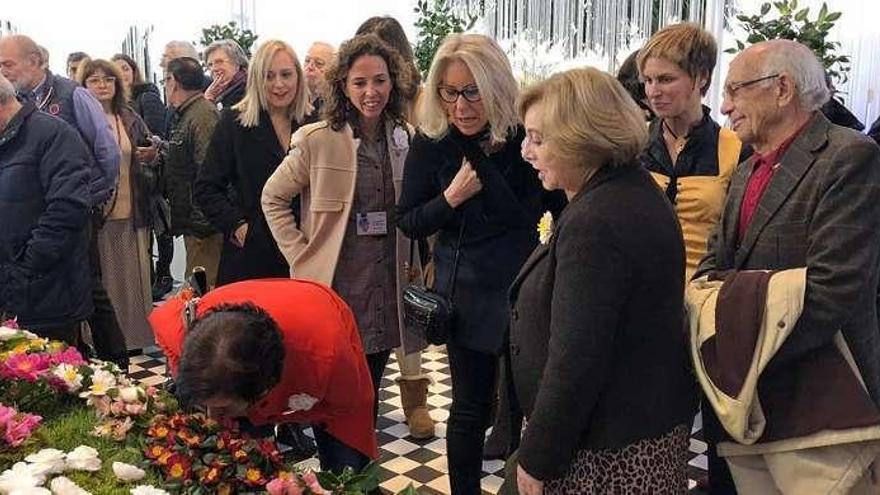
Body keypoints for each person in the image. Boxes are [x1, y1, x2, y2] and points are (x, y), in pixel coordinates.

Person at [694, 39, 880, 494]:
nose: (724, 105)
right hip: (751, 404)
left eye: (736, 90)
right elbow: (707, 276)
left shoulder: (848, 157)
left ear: (782, 88)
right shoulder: (744, 171)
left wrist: (741, 351)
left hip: (822, 403)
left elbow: (833, 291)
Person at [504, 66, 695, 495]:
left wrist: (537, 459)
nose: (525, 153)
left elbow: (577, 357)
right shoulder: (629, 190)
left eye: (538, 139)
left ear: (582, 136)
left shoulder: (596, 220)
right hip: (633, 430)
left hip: (603, 451)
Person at [396, 33, 564, 494]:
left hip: (524, 289)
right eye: (449, 92)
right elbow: (408, 220)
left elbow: (538, 213)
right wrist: (450, 199)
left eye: (472, 92)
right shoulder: (433, 144)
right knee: (470, 410)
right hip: (465, 294)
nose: (460, 105)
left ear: (495, 88)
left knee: (526, 408)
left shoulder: (522, 141)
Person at [262, 34, 417, 427]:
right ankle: (343, 476)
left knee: (370, 393)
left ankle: (363, 477)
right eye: (360, 82)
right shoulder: (318, 139)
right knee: (335, 400)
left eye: (379, 81)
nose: (371, 92)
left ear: (392, 83)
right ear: (343, 86)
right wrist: (300, 254)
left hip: (384, 289)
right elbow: (273, 198)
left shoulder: (404, 138)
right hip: (338, 288)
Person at [150, 278, 378, 473]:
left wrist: (273, 415)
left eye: (222, 409)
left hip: (315, 322)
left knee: (348, 469)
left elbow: (344, 406)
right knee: (244, 465)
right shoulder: (189, 336)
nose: (212, 418)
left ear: (263, 391)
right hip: (241, 353)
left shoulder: (328, 357)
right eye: (209, 407)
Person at [0, 34, 127, 367]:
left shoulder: (60, 117)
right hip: (22, 283)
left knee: (58, 371)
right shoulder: (11, 135)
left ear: (35, 61)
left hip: (47, 278)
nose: (4, 70)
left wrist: (95, 201)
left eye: (8, 64)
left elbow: (105, 157)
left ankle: (116, 365)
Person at [354, 15, 434, 440]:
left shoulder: (417, 100)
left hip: (409, 223)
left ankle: (415, 400)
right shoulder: (349, 106)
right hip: (363, 230)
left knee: (409, 312)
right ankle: (360, 403)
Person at [638, 23, 750, 282]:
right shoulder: (632, 143)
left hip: (705, 292)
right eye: (648, 80)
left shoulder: (735, 148)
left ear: (701, 77)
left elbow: (741, 239)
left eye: (666, 79)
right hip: (636, 295)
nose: (654, 92)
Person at [195, 40, 312, 286]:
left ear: (298, 78)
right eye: (269, 76)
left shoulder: (314, 123)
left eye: (286, 75)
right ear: (257, 79)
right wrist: (238, 226)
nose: (279, 84)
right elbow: (206, 187)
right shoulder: (234, 123)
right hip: (251, 256)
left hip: (305, 250)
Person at [0, 73, 93, 344]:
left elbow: (68, 209)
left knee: (50, 377)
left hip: (47, 292)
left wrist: (27, 267)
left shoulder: (54, 134)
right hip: (14, 285)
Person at [78, 59, 159, 352]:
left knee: (132, 279)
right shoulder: (78, 121)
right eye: (94, 80)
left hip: (132, 209)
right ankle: (105, 342)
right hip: (97, 214)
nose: (102, 85)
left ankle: (135, 338)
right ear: (83, 86)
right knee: (105, 281)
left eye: (107, 80)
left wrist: (152, 154)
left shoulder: (128, 116)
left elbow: (150, 148)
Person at [162, 57, 222, 288]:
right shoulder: (190, 113)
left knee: (201, 291)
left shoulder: (201, 115)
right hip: (196, 223)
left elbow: (208, 172)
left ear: (173, 81)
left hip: (203, 227)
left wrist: (201, 225)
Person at [112, 53, 167, 138]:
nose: (121, 74)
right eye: (116, 71)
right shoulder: (113, 103)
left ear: (134, 72)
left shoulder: (148, 97)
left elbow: (157, 134)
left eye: (125, 69)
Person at [204, 39, 248, 111]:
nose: (214, 69)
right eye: (210, 65)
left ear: (237, 63)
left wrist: (209, 100)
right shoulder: (223, 91)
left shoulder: (244, 89)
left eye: (219, 62)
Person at [303, 41, 334, 112]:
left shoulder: (335, 105)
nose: (310, 67)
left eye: (318, 63)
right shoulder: (292, 98)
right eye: (307, 61)